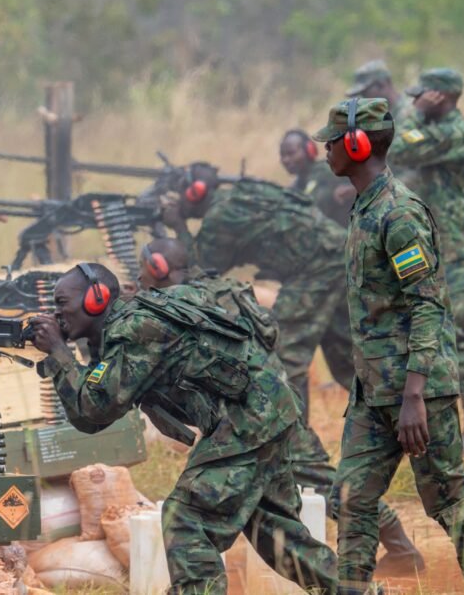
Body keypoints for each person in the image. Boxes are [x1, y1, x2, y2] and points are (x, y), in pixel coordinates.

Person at [28, 262, 338, 595]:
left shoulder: (136, 328)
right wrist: (61, 355)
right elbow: (90, 419)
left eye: (62, 303)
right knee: (278, 535)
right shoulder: (119, 333)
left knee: (187, 520)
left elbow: (97, 406)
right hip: (262, 413)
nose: (56, 314)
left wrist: (59, 352)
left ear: (97, 298)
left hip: (248, 419)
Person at [138, 238, 426, 576]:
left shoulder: (183, 302)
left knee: (317, 481)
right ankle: (396, 548)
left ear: (157, 267)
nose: (140, 278)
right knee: (303, 482)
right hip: (271, 402)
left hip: (256, 414)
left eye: (143, 270)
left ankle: (399, 548)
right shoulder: (223, 289)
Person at [314, 97, 464, 595]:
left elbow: (428, 304)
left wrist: (415, 394)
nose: (326, 150)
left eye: (332, 142)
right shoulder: (365, 208)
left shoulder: (398, 214)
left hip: (418, 390)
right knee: (350, 497)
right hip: (374, 390)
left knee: (448, 497)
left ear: (357, 145)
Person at [159, 164, 355, 418]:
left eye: (180, 195)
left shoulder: (221, 217)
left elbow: (199, 271)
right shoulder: (244, 195)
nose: (178, 203)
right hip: (340, 255)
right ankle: (394, 414)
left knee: (285, 357)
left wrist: (178, 226)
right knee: (346, 359)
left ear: (195, 192)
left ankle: (296, 437)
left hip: (317, 270)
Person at [388, 68, 464, 456]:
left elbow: (398, 148)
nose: (416, 101)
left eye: (422, 96)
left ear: (440, 96)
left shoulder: (452, 133)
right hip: (449, 248)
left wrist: (415, 114)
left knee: (462, 341)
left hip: (458, 250)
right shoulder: (441, 133)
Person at [280, 128, 354, 227]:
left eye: (291, 153)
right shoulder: (294, 189)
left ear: (309, 150)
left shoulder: (332, 170)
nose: (286, 160)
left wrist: (352, 190)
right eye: (282, 155)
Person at [346, 59, 411, 123]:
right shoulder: (377, 118)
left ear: (382, 84)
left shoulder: (411, 111)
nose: (363, 98)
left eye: (365, 92)